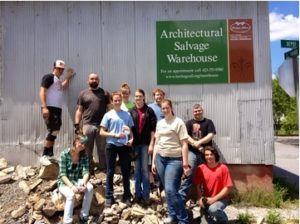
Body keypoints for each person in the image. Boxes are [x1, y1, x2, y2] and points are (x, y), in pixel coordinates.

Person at [151, 99, 191, 224]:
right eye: (162, 108)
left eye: (167, 107)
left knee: (170, 190)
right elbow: (157, 143)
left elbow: (184, 144)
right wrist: (153, 162)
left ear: (171, 107)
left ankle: (183, 219)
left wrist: (185, 163)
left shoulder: (178, 122)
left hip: (175, 160)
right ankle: (172, 215)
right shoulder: (160, 123)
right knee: (168, 191)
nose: (165, 110)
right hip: (160, 159)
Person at [100, 91, 134, 206]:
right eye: (115, 100)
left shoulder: (127, 115)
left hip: (124, 146)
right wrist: (114, 135)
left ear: (121, 101)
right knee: (110, 171)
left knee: (125, 171)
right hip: (111, 145)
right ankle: (109, 197)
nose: (117, 102)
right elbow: (101, 132)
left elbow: (130, 131)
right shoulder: (108, 115)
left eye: (119, 100)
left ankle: (127, 195)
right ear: (112, 101)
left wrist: (131, 139)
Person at [39, 59, 75, 166]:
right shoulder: (48, 77)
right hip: (49, 107)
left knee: (55, 130)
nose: (60, 70)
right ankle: (44, 155)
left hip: (57, 108)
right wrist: (44, 107)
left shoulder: (57, 80)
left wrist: (68, 77)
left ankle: (50, 154)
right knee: (53, 129)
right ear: (54, 67)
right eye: (58, 68)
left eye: (62, 69)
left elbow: (63, 87)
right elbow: (42, 91)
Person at [74, 73, 110, 173]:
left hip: (101, 126)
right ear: (88, 80)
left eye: (96, 79)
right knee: (87, 149)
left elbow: (109, 109)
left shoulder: (105, 93)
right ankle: (88, 169)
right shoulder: (83, 94)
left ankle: (103, 168)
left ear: (99, 81)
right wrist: (77, 125)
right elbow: (79, 110)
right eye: (92, 79)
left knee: (102, 149)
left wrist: (110, 124)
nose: (94, 80)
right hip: (87, 125)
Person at [179, 104, 216, 201]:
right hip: (192, 152)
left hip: (205, 153)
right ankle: (181, 198)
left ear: (202, 110)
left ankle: (206, 199)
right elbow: (185, 135)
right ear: (193, 112)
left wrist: (199, 142)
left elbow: (211, 134)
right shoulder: (189, 123)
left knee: (206, 175)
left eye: (199, 110)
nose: (197, 112)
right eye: (195, 111)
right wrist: (195, 144)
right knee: (189, 173)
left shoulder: (208, 122)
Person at [57, 134, 94, 224]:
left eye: (85, 144)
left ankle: (84, 216)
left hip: (78, 179)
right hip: (65, 182)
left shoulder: (84, 155)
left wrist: (84, 182)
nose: (83, 146)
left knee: (90, 188)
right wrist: (71, 186)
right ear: (76, 141)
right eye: (81, 143)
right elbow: (62, 175)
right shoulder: (64, 154)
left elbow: (86, 172)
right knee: (70, 195)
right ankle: (67, 222)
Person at [129, 89, 157, 205]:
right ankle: (137, 195)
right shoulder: (131, 111)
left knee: (145, 170)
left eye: (140, 96)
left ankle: (146, 196)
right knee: (137, 170)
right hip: (135, 145)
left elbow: (153, 129)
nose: (138, 98)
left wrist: (151, 144)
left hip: (145, 145)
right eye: (136, 96)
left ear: (144, 97)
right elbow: (128, 127)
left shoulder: (149, 110)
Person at [193, 146, 233, 224]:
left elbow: (227, 188)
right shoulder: (200, 168)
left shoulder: (223, 168)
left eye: (211, 154)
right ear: (204, 156)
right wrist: (200, 198)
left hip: (221, 199)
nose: (209, 156)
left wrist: (214, 199)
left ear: (215, 155)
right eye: (206, 155)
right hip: (206, 200)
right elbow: (197, 185)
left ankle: (223, 221)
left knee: (213, 209)